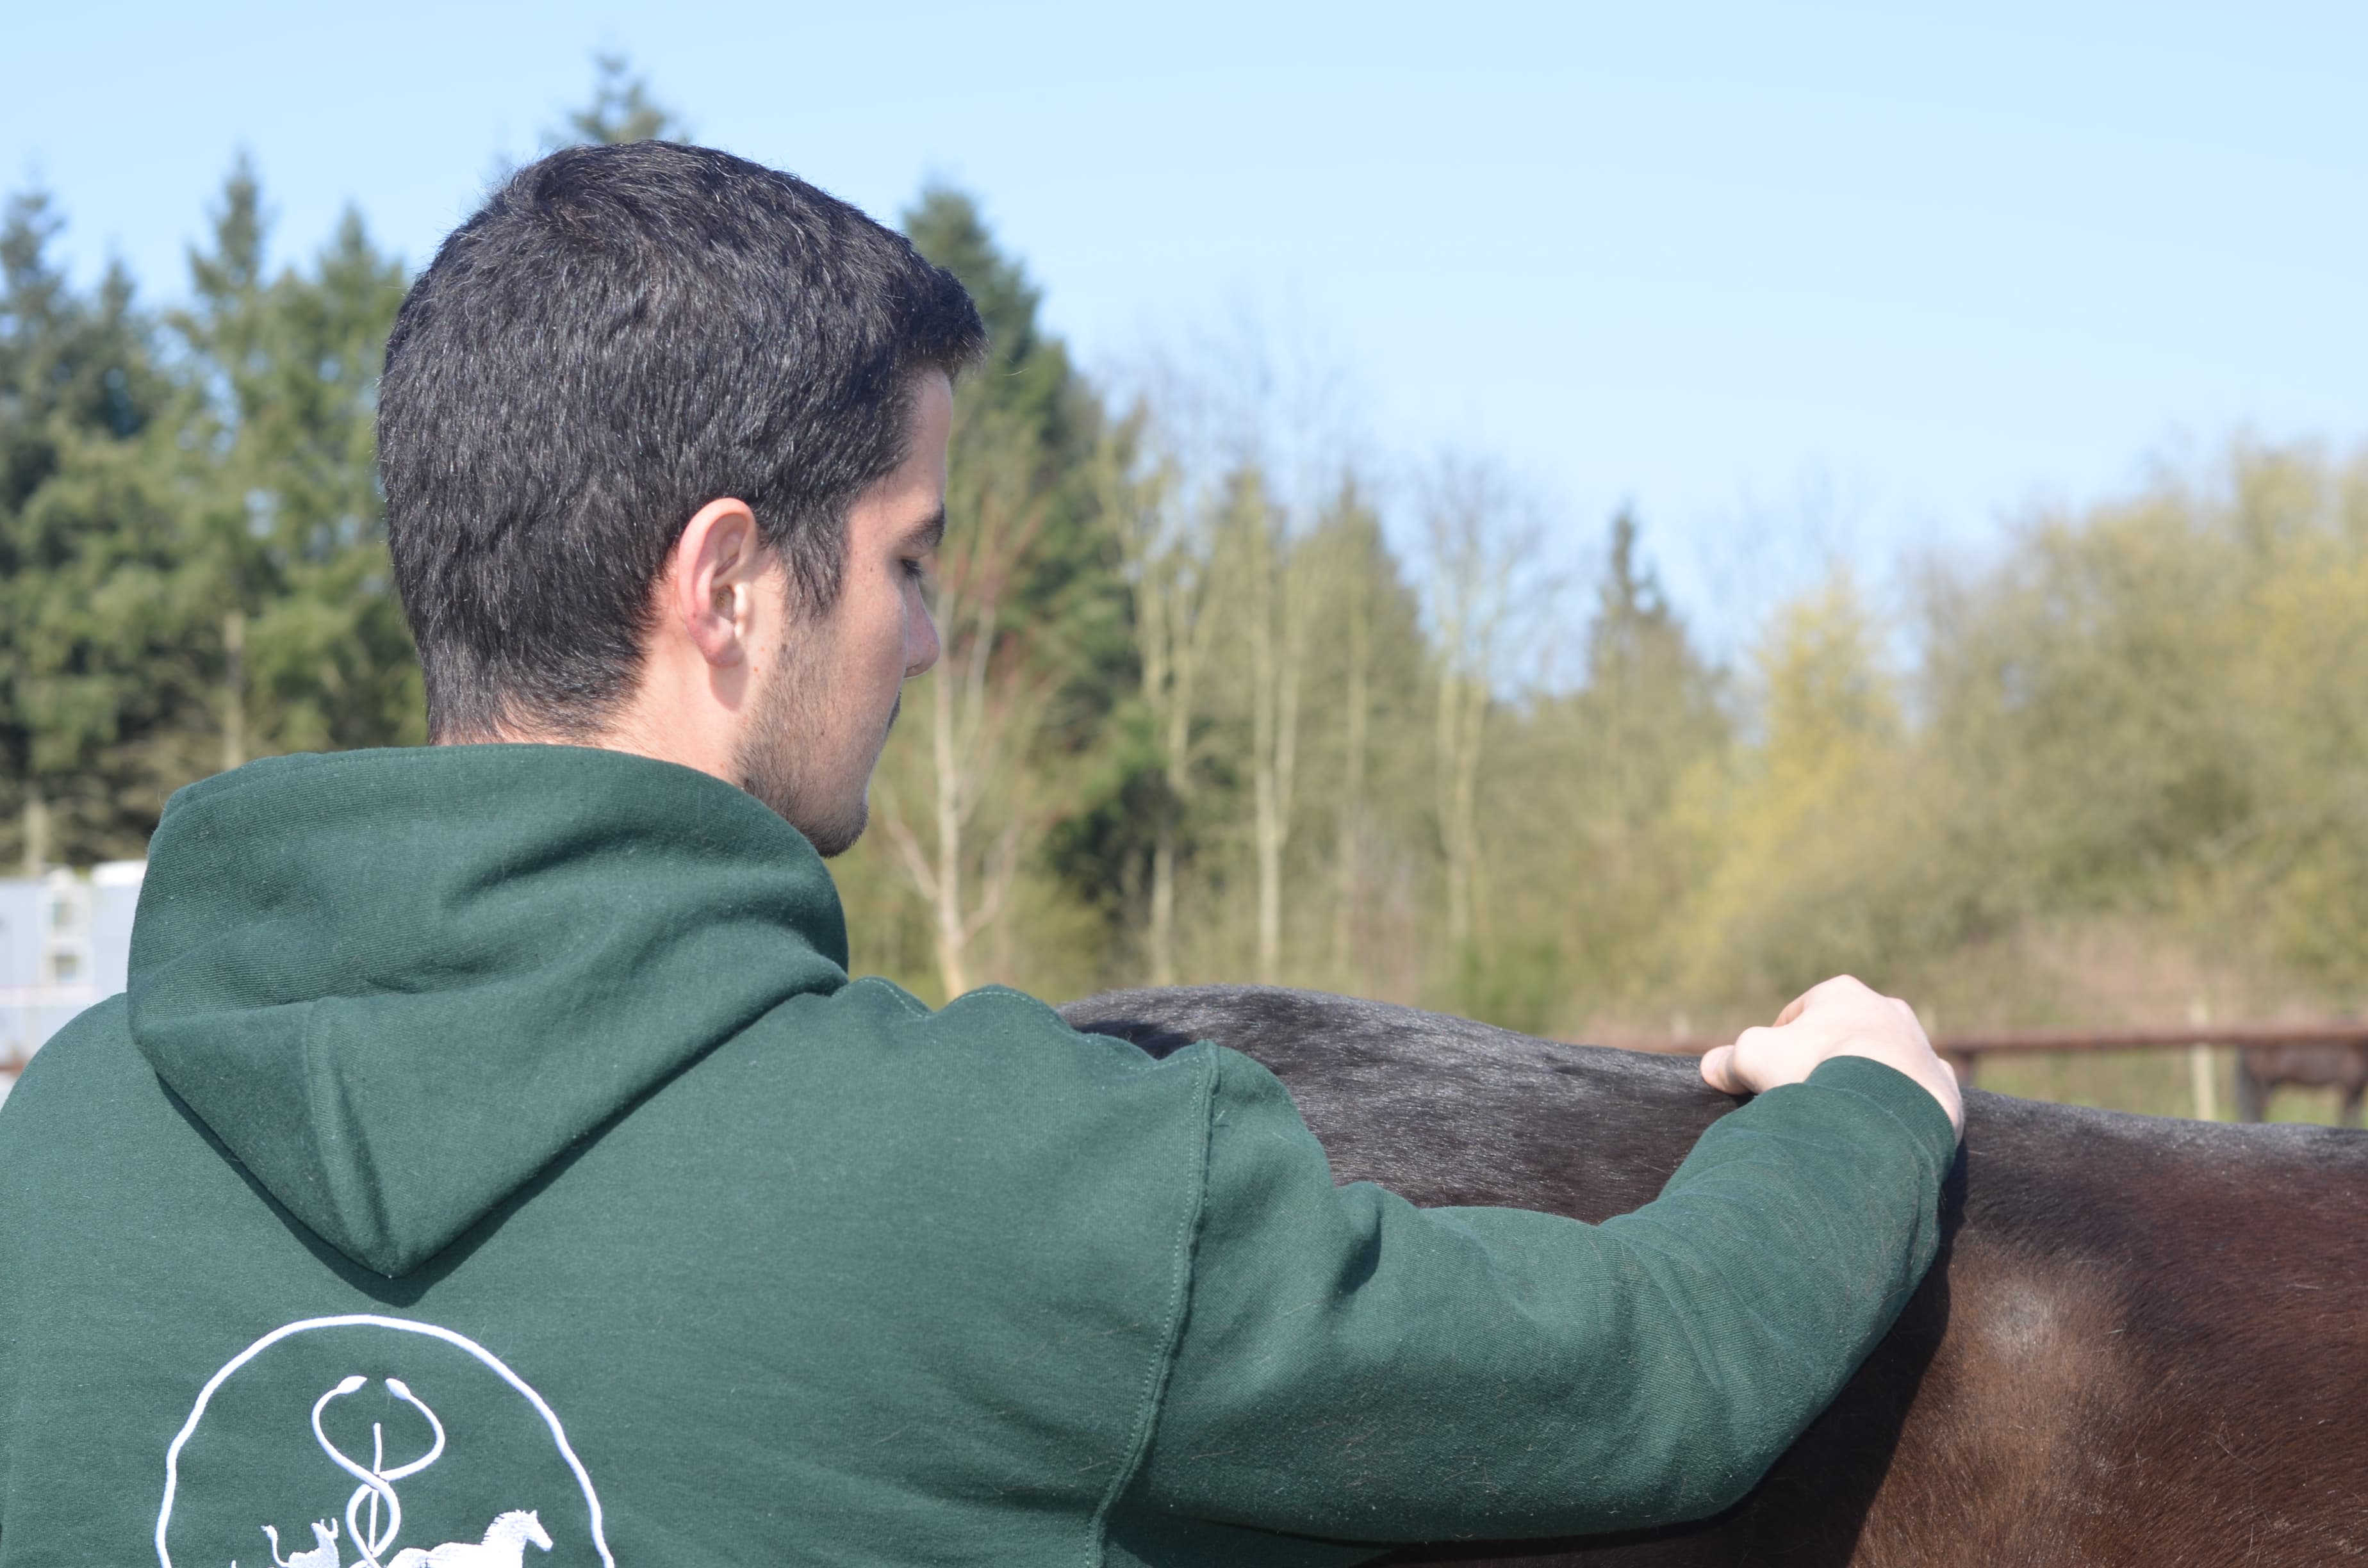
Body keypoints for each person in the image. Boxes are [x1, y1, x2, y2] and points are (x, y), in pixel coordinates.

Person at [0, 143, 1961, 1567]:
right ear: (726, 587)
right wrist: (1864, 1112)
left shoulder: (54, 1155)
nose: (928, 641)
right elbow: (1643, 1383)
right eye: (910, 561)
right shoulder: (1021, 1182)